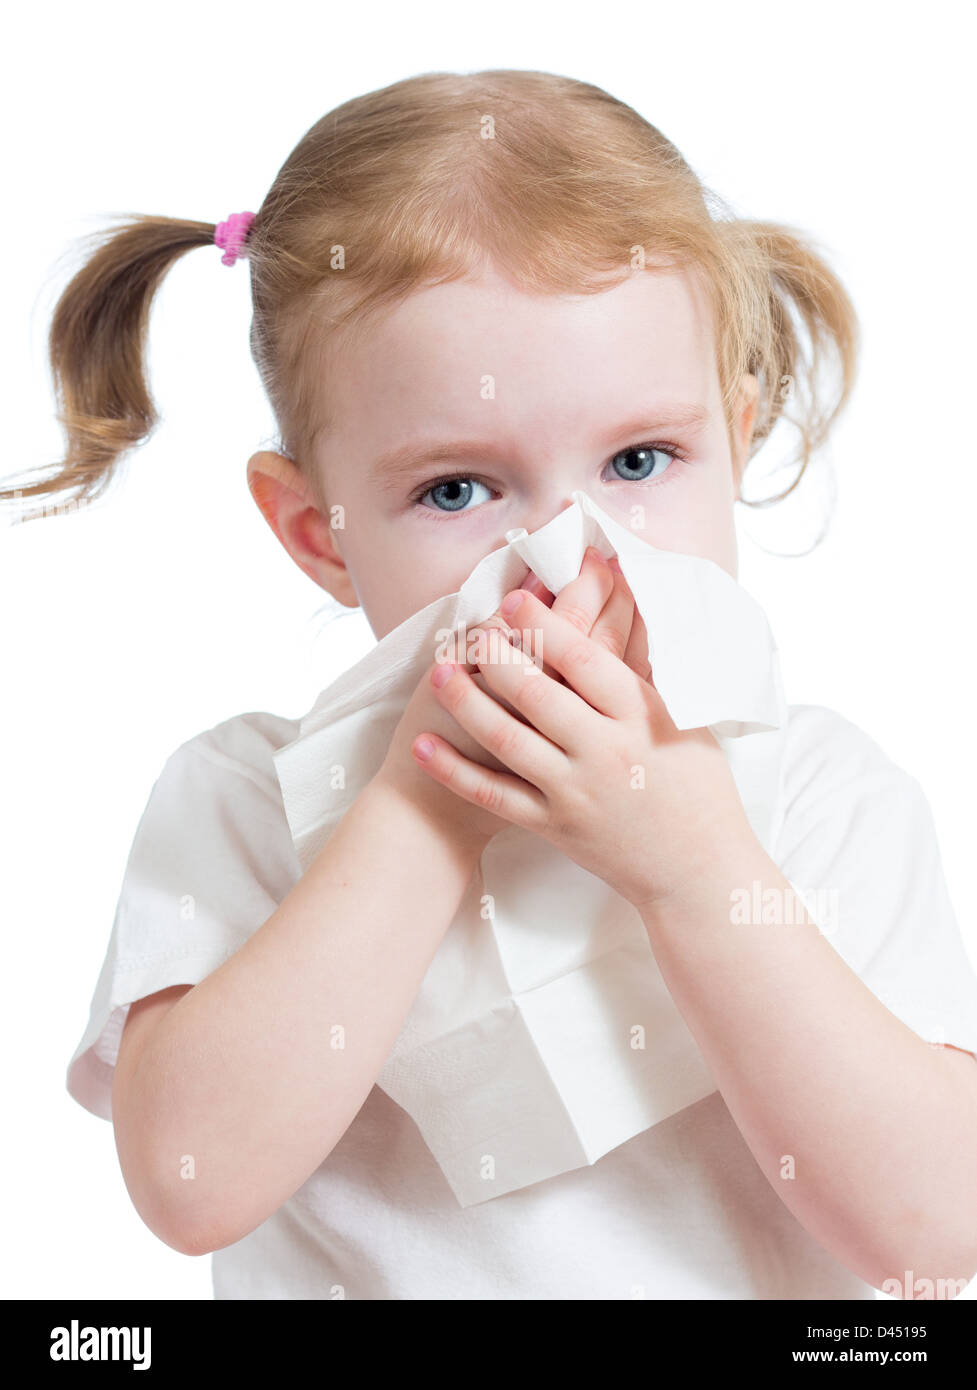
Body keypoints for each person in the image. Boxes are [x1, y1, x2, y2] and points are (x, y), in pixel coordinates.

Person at [10, 69, 977, 1300]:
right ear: (317, 530)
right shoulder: (245, 803)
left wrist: (693, 868)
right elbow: (191, 1185)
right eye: (456, 491)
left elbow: (932, 1233)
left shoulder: (816, 794)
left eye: (638, 459)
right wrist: (421, 814)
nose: (565, 550)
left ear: (733, 445)